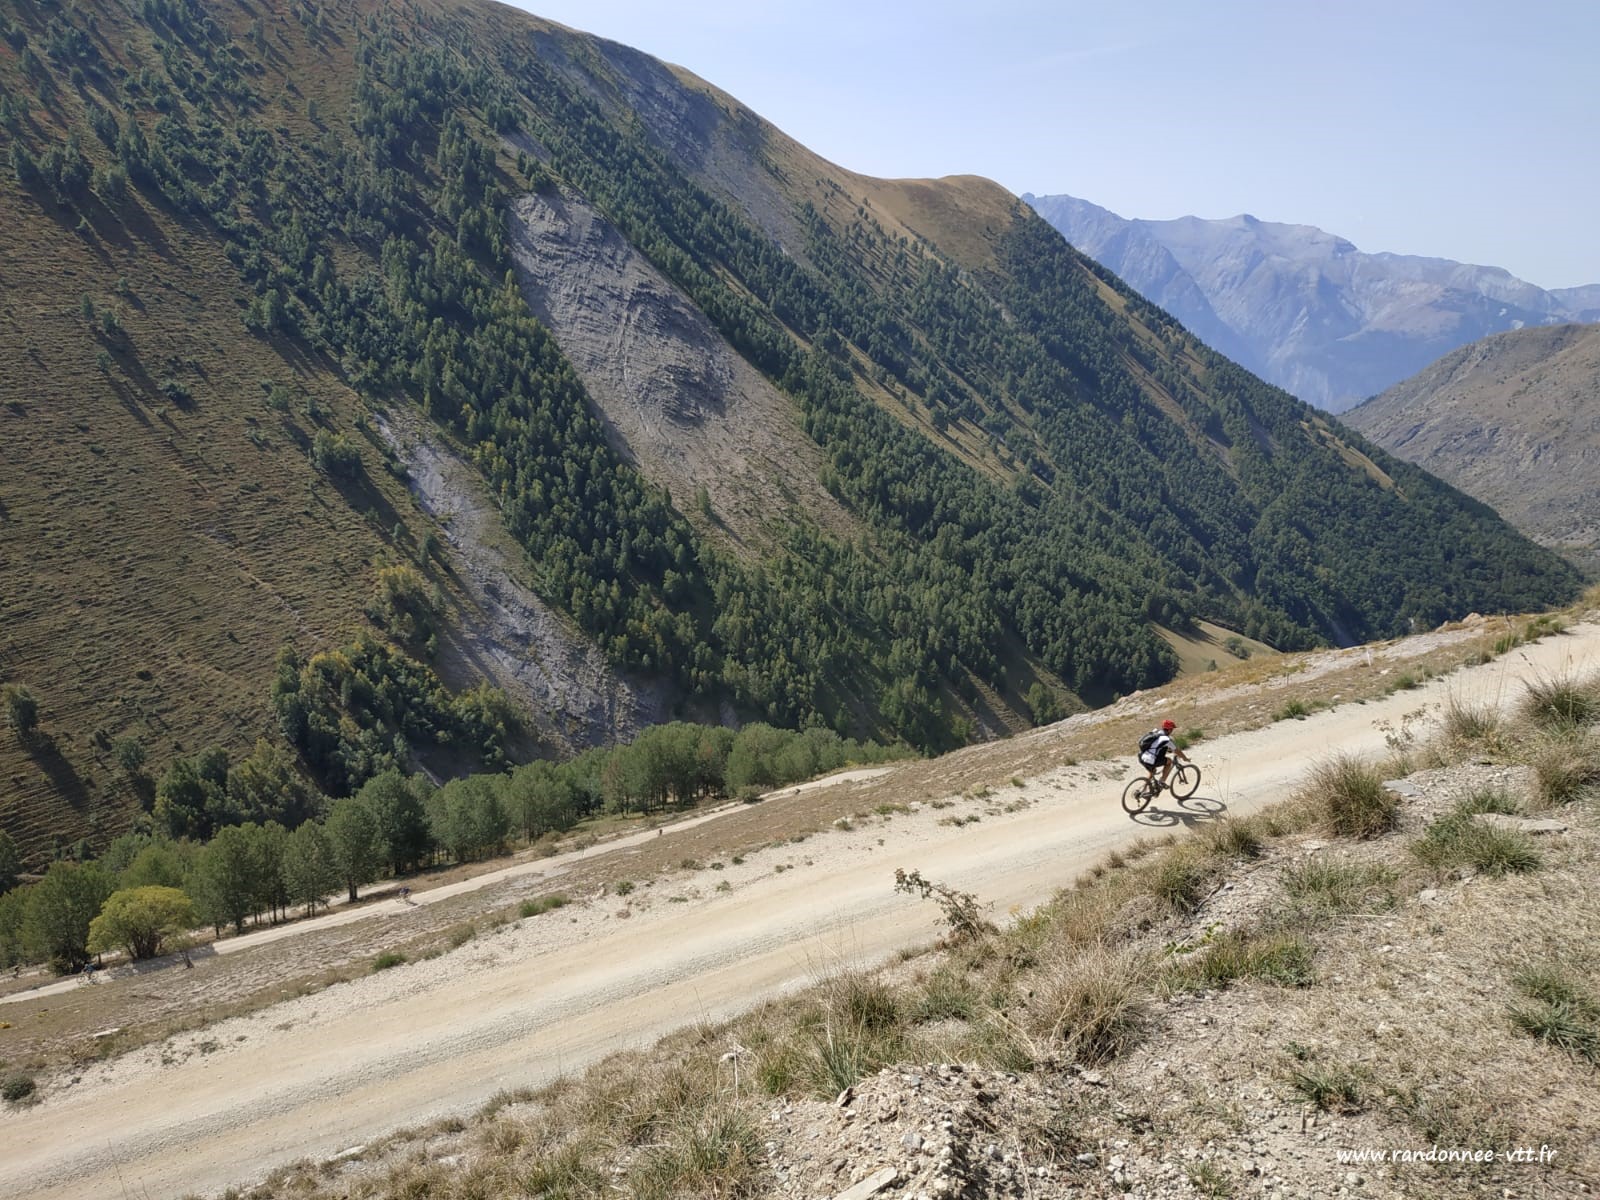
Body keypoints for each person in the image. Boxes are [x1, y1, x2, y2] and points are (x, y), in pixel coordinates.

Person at [1139, 719, 1189, 792]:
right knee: (1169, 761)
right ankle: (1162, 781)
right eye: (1172, 729)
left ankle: (1142, 790)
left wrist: (1168, 750)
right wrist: (1185, 758)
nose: (1172, 731)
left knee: (1152, 771)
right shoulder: (1166, 739)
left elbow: (1156, 746)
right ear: (1169, 729)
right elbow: (1177, 750)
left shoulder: (1155, 732)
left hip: (1142, 756)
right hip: (1151, 759)